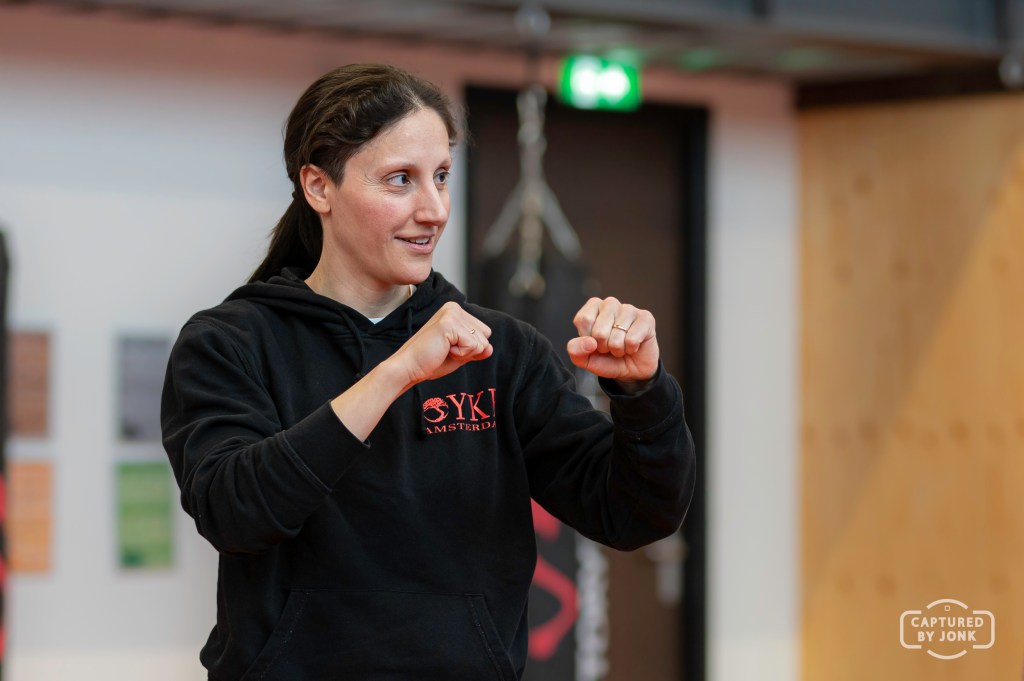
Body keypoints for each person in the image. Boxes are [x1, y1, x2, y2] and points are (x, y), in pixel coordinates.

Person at [161, 63, 695, 681]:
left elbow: (633, 515)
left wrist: (642, 392)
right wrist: (396, 372)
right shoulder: (230, 343)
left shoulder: (500, 350)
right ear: (319, 187)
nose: (435, 209)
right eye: (400, 180)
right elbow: (236, 512)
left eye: (441, 176)